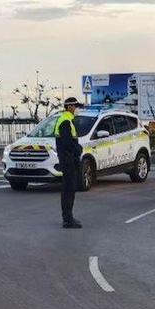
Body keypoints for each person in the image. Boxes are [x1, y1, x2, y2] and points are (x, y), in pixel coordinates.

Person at [54, 97, 84, 229]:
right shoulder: (65, 121)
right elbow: (67, 142)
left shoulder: (67, 120)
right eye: (75, 106)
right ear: (70, 107)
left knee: (69, 189)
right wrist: (78, 150)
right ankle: (67, 219)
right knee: (68, 190)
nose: (76, 109)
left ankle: (68, 217)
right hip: (68, 160)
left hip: (68, 159)